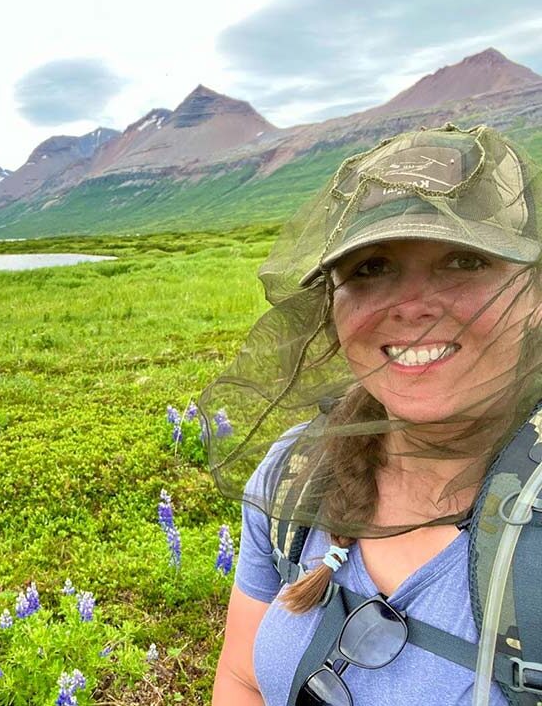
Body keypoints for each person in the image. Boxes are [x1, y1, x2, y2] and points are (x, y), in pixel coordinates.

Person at [202, 124, 542, 705]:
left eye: (463, 260)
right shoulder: (296, 470)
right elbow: (241, 680)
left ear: (534, 296)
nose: (411, 308)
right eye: (370, 268)